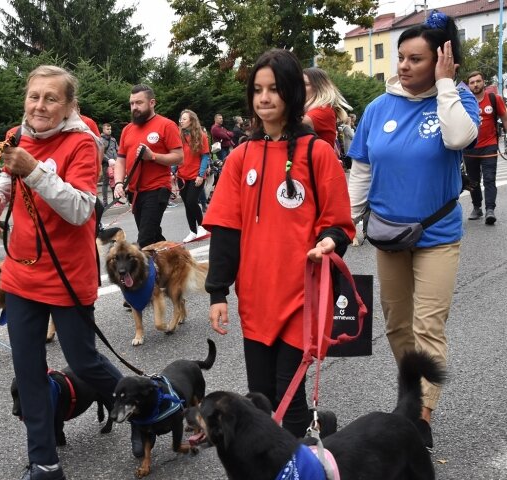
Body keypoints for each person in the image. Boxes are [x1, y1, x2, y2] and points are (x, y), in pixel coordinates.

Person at [0, 65, 123, 480]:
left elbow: (82, 209)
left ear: (69, 105)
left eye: (51, 98)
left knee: (83, 363)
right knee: (27, 371)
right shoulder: (17, 135)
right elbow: (7, 175)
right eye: (34, 96)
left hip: (67, 274)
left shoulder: (82, 142)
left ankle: (145, 402)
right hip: (23, 271)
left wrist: (35, 171)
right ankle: (44, 462)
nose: (40, 105)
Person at [203, 49, 355, 439]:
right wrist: (217, 292)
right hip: (257, 296)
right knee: (261, 396)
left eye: (274, 89)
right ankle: (317, 432)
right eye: (257, 90)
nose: (264, 98)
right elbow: (225, 229)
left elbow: (339, 224)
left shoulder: (317, 153)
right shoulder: (240, 157)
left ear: (291, 93)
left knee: (288, 393)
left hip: (303, 294)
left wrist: (328, 242)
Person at [347, 10, 479, 450]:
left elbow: (459, 138)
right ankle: (412, 390)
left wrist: (445, 87)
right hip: (388, 234)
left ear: (442, 61)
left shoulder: (458, 99)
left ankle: (422, 414)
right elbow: (362, 169)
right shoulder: (378, 108)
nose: (403, 66)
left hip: (437, 237)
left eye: (415, 59)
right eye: (401, 57)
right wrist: (348, 224)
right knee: (396, 324)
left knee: (427, 325)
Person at [113, 84, 183, 247]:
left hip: (157, 189)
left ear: (152, 103)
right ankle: (174, 261)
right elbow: (121, 159)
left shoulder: (166, 125)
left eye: (139, 103)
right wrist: (118, 183)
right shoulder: (127, 129)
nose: (134, 107)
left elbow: (179, 157)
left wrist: (152, 156)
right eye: (131, 103)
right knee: (153, 236)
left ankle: (146, 272)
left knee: (144, 240)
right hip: (135, 192)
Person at [463, 71, 507, 225]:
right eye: (472, 82)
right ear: (468, 85)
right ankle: (477, 208)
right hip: (469, 147)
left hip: (489, 146)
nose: (475, 84)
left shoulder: (495, 99)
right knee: (473, 181)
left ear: (483, 82)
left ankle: (490, 209)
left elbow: (504, 118)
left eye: (478, 81)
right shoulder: (464, 102)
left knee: (489, 179)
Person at [177, 109, 210, 243]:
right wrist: (173, 171)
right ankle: (192, 231)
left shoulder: (201, 135)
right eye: (181, 118)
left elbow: (205, 156)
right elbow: (177, 154)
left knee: (191, 201)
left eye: (184, 119)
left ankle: (202, 226)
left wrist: (201, 175)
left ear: (192, 120)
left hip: (195, 175)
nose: (181, 121)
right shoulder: (178, 135)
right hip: (181, 175)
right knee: (187, 204)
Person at [302, 67, 352, 150]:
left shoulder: (323, 110)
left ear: (319, 87)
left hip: (318, 161)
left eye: (305, 84)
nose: (300, 88)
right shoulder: (310, 109)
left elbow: (292, 124)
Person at [100, 123, 118, 203]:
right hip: (106, 164)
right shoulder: (100, 140)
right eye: (107, 129)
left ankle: (115, 200)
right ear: (103, 130)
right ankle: (105, 202)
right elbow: (100, 153)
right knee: (105, 182)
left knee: (115, 181)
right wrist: (108, 160)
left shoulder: (113, 140)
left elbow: (117, 150)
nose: (109, 130)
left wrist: (118, 160)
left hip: (115, 164)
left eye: (110, 129)